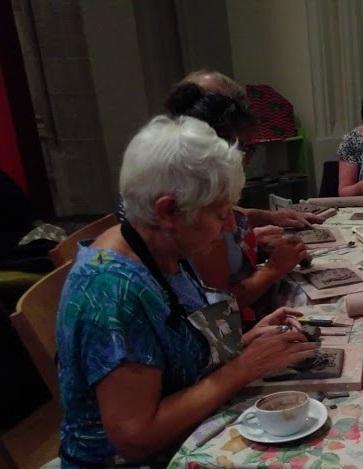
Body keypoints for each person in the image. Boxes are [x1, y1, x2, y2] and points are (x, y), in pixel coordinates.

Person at [56, 116, 319, 466]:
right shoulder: (111, 291)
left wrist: (248, 341)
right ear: (167, 211)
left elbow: (177, 357)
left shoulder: (166, 250)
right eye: (220, 213)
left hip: (189, 432)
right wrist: (241, 368)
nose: (229, 226)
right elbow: (135, 437)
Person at [163, 80, 309, 315]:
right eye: (247, 149)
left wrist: (264, 227)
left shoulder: (199, 194)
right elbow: (221, 309)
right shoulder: (193, 216)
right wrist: (272, 270)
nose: (249, 159)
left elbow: (236, 219)